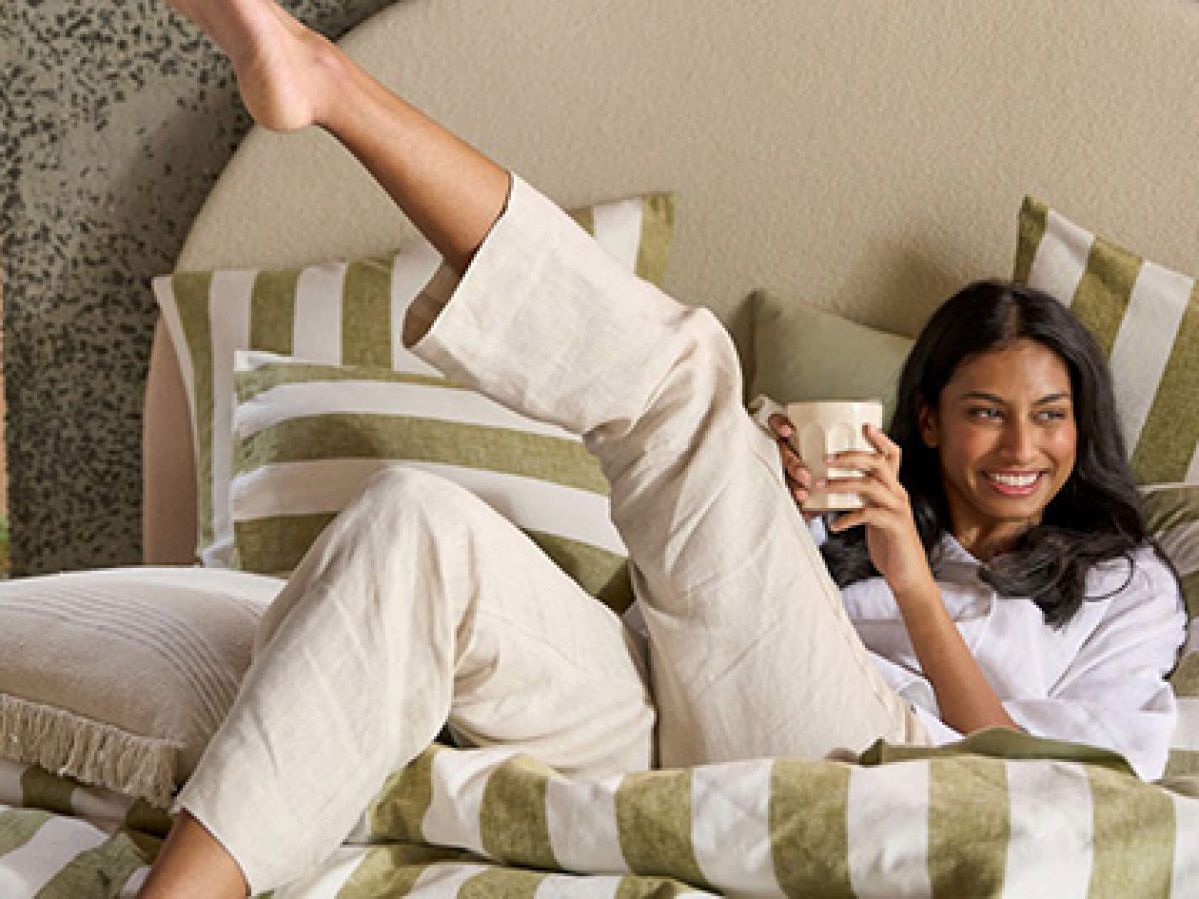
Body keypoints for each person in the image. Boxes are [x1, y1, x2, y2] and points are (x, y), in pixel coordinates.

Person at [138, 0, 1186, 895]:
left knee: (682, 386)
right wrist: (760, 522)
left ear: (1079, 424)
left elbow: (1044, 774)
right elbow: (671, 631)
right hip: (685, 723)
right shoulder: (858, 519)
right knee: (418, 520)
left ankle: (331, 87)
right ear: (925, 418)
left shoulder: (1122, 584)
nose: (1020, 444)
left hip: (877, 764)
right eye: (985, 410)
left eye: (1049, 414)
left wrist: (913, 586)